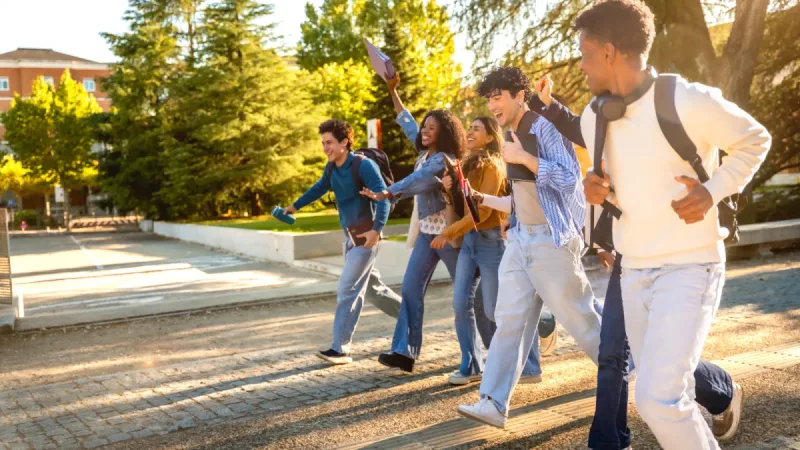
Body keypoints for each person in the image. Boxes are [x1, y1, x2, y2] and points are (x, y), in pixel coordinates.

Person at [574, 1, 771, 448]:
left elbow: (755, 139)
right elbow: (612, 188)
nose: (582, 67)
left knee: (658, 399)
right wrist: (596, 194)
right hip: (633, 268)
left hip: (691, 265)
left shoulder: (686, 98)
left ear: (609, 52)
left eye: (585, 54)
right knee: (663, 395)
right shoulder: (593, 117)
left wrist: (713, 189)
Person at [534, 72, 744, 448]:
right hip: (627, 251)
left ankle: (613, 438)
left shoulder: (668, 112)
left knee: (628, 356)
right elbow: (580, 136)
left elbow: (748, 142)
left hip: (672, 254)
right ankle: (712, 394)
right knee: (629, 355)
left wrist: (711, 191)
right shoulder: (603, 120)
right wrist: (547, 104)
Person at [457, 67, 602, 428]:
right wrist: (499, 207)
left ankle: (631, 368)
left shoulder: (544, 126)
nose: (492, 105)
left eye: (498, 96)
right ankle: (492, 402)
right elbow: (524, 194)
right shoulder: (511, 133)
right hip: (522, 239)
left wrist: (524, 159)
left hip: (551, 241)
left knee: (582, 321)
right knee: (509, 321)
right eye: (489, 98)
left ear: (520, 95)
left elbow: (571, 179)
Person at [361, 74, 469, 373]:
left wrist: (388, 191)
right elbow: (406, 121)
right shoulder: (425, 154)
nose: (424, 131)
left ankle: (519, 338)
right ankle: (404, 352)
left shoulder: (443, 160)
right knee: (410, 290)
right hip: (427, 236)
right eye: (425, 126)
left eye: (431, 128)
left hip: (449, 237)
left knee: (475, 296)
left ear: (444, 133)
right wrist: (393, 91)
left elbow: (417, 181)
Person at [437, 116, 546, 385]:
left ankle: (530, 366)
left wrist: (448, 233)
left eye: (477, 128)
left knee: (496, 310)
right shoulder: (466, 165)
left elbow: (483, 210)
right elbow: (464, 207)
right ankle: (472, 364)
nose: (470, 131)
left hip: (489, 241)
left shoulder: (493, 165)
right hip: (471, 242)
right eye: (469, 128)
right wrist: (447, 190)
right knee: (461, 304)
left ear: (489, 137)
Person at [285, 119, 400, 365]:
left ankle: (340, 349)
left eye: (329, 143)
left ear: (344, 142)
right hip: (349, 237)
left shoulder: (363, 165)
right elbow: (318, 188)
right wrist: (294, 207)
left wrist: (377, 230)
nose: (325, 148)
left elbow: (384, 199)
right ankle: (411, 318)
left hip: (365, 237)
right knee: (374, 290)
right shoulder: (332, 168)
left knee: (347, 290)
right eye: (323, 143)